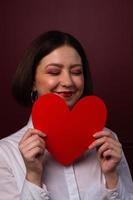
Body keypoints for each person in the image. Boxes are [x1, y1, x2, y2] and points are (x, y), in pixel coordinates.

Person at [0, 30, 132, 200]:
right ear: (32, 81)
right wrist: (33, 175)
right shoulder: (5, 153)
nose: (68, 82)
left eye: (76, 72)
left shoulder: (108, 142)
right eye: (54, 72)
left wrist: (112, 177)